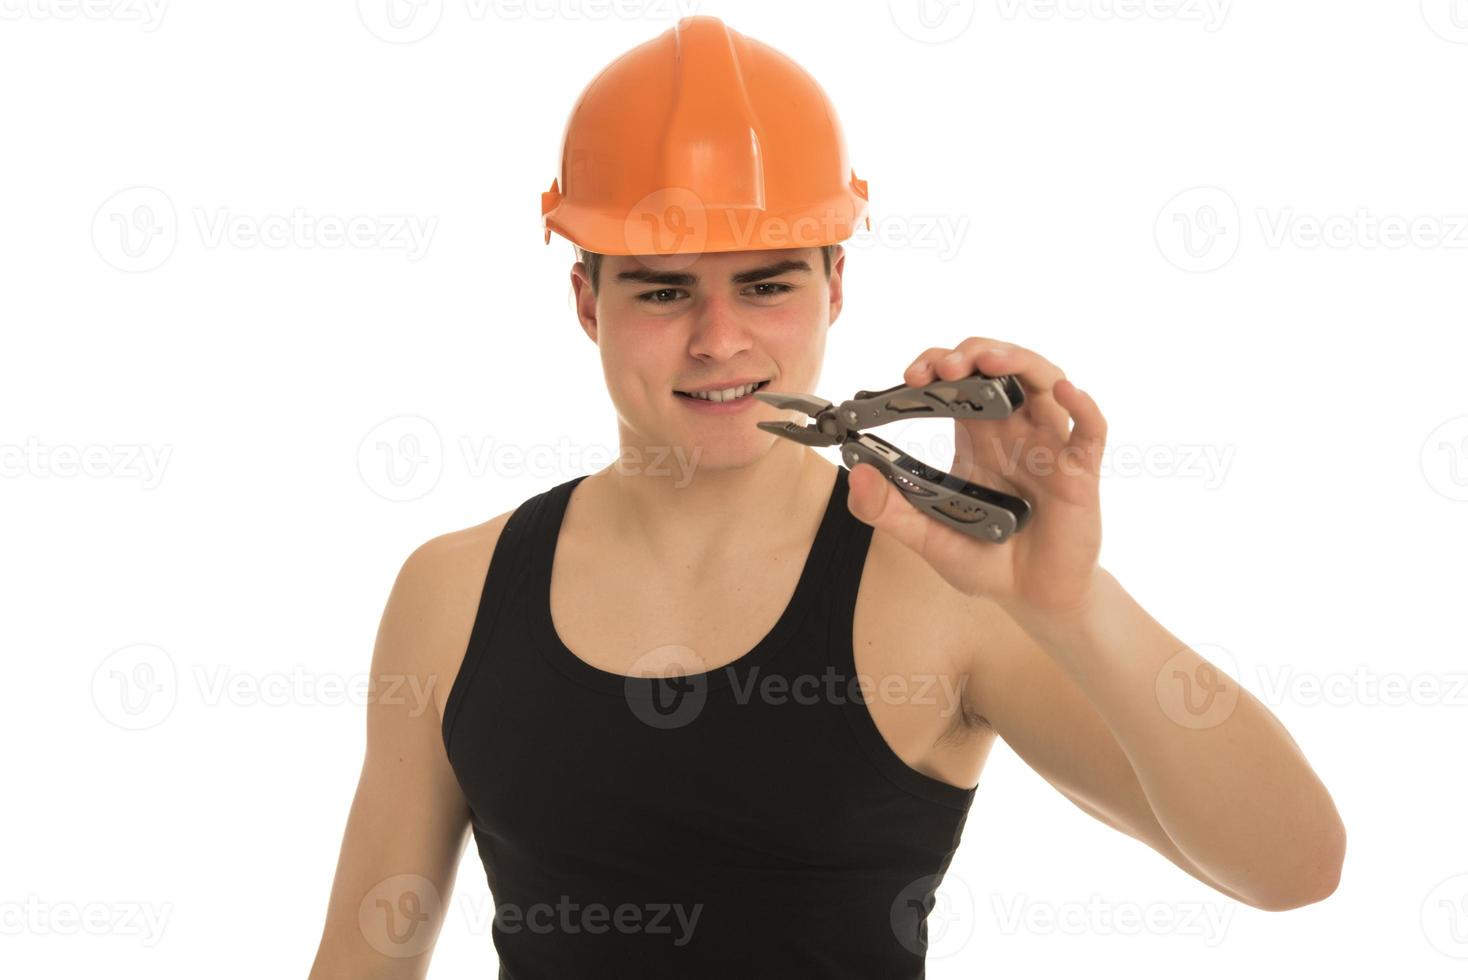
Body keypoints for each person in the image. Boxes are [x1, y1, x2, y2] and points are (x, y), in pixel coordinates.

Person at [308, 15, 1345, 979]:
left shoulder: (944, 588)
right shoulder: (452, 592)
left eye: (766, 283)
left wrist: (1071, 602)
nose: (719, 339)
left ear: (836, 284)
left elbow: (1292, 866)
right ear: (587, 299)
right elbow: (364, 956)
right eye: (664, 288)